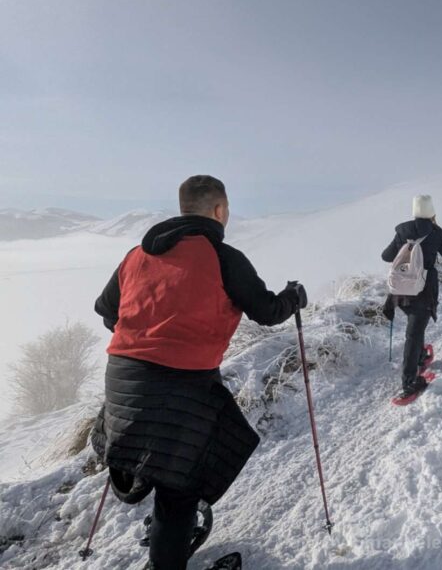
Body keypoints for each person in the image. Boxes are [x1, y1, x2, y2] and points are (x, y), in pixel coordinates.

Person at [92, 175, 307, 570]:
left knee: (164, 465)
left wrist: (144, 338)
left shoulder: (136, 255)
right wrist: (294, 297)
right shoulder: (224, 257)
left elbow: (107, 310)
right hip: (183, 385)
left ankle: (167, 534)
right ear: (220, 210)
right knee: (181, 483)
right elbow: (267, 311)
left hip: (122, 380)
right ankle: (167, 554)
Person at [381, 195, 442, 400]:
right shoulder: (435, 233)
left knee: (415, 329)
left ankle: (419, 357)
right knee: (414, 334)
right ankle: (409, 382)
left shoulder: (402, 231)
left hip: (401, 291)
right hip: (423, 290)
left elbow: (386, 256)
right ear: (431, 212)